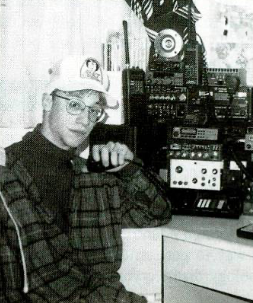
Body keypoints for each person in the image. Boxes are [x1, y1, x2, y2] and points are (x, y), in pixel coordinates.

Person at [0, 55, 172, 303]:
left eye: (94, 111)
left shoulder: (92, 176)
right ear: (47, 101)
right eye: (74, 105)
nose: (85, 120)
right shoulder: (8, 174)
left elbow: (158, 213)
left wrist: (126, 170)